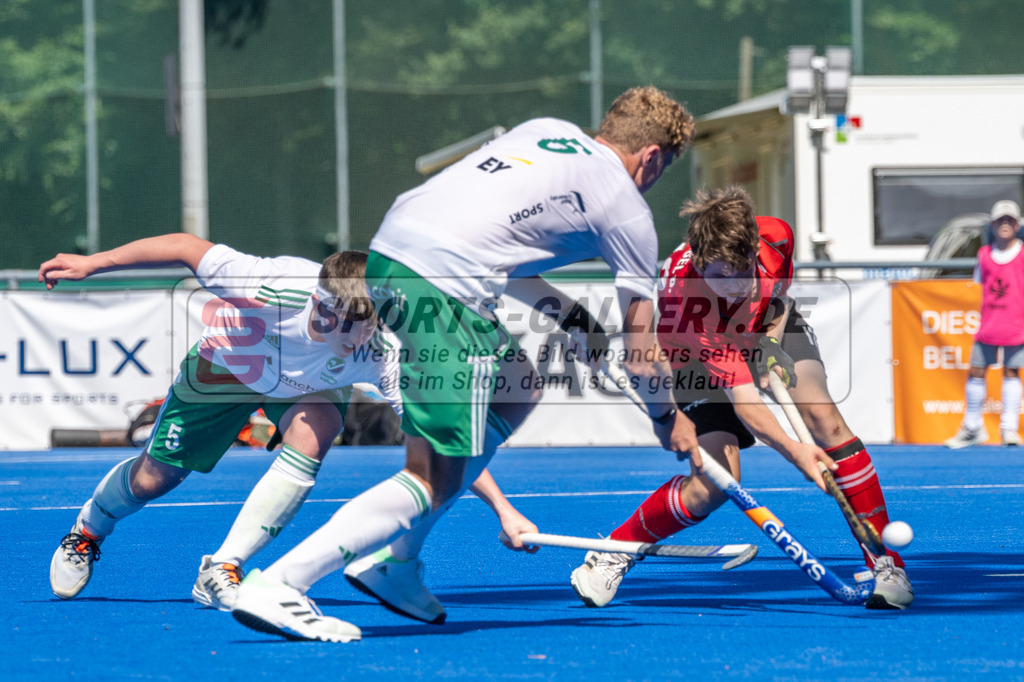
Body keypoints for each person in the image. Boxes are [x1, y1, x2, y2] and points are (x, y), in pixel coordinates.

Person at [229, 85, 703, 642]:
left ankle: (395, 562)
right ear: (651, 155)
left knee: (518, 386)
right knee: (431, 477)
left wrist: (575, 319)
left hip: (391, 258)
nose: (656, 178)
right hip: (440, 288)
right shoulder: (627, 209)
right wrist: (669, 418)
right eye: (663, 168)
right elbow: (644, 359)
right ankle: (282, 583)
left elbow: (504, 255)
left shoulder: (546, 133)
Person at [40, 234, 535, 613]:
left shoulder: (385, 347)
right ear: (324, 304)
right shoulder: (271, 285)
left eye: (375, 321)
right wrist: (93, 263)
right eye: (358, 322)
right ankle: (87, 530)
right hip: (229, 366)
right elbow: (185, 247)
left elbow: (438, 444)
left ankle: (221, 568)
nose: (368, 335)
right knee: (153, 478)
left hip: (311, 388)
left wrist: (504, 510)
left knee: (316, 431)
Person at [569, 185, 914, 611]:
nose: (733, 286)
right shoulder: (687, 300)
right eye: (720, 275)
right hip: (693, 357)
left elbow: (779, 298)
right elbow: (746, 403)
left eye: (742, 271)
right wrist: (794, 451)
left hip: (761, 326)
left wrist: (768, 340)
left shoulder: (776, 238)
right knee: (711, 486)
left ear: (754, 250)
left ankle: (886, 562)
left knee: (824, 419)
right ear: (699, 264)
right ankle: (616, 549)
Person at [945, 199, 1024, 448]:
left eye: (1010, 220)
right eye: (1001, 220)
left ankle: (1009, 429)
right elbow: (982, 285)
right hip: (989, 325)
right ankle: (972, 428)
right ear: (992, 224)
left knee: (1011, 372)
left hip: (1016, 325)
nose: (1005, 224)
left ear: (1017, 225)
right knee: (976, 371)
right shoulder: (984, 255)